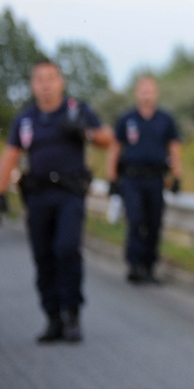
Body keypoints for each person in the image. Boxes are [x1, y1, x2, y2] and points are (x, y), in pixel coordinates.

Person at [0, 59, 117, 343]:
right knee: (43, 256)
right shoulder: (26, 119)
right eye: (39, 79)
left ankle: (72, 313)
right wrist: (0, 191)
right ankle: (53, 317)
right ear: (32, 85)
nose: (46, 85)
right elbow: (11, 154)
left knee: (66, 248)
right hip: (37, 195)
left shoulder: (77, 111)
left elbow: (107, 138)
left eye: (50, 78)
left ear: (61, 82)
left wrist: (85, 132)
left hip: (69, 194)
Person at [108, 75, 182, 285]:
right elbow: (115, 149)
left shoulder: (165, 119)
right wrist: (112, 179)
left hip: (156, 179)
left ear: (156, 93)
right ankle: (134, 265)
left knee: (154, 222)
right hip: (132, 178)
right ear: (136, 93)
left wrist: (177, 176)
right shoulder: (127, 119)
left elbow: (174, 149)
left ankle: (149, 266)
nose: (146, 94)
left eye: (150, 90)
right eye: (143, 90)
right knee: (135, 219)